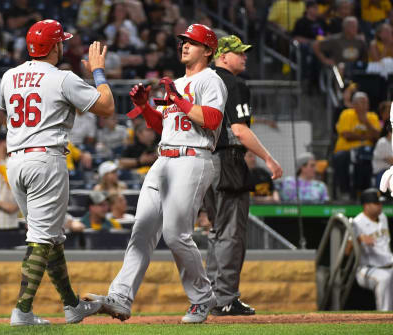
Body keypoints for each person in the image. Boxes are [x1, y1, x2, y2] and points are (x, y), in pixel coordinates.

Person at [88, 23, 227, 324]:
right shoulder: (177, 82)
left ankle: (202, 298)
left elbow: (213, 119)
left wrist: (177, 99)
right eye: (183, 41)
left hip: (193, 157)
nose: (185, 45)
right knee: (142, 232)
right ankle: (121, 298)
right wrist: (144, 106)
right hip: (164, 157)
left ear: (208, 50)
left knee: (177, 235)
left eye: (193, 41)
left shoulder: (210, 80)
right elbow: (162, 127)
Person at [0, 19, 114, 326]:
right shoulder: (62, 77)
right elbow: (106, 106)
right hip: (46, 161)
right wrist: (97, 72)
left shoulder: (9, 76)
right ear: (54, 46)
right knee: (41, 237)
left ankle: (72, 305)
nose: (64, 45)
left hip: (16, 162)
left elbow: (3, 106)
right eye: (61, 41)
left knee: (50, 237)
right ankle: (22, 311)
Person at [203, 35, 283, 317]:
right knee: (231, 235)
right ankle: (225, 298)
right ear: (223, 56)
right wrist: (269, 158)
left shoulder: (201, 81)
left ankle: (213, 296)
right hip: (227, 161)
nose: (244, 57)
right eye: (239, 53)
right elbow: (239, 130)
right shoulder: (233, 83)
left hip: (202, 163)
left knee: (216, 232)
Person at [345, 188, 393, 311]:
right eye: (377, 203)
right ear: (366, 206)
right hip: (368, 269)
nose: (380, 206)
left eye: (381, 203)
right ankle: (384, 318)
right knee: (384, 278)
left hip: (389, 264)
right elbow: (346, 251)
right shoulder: (357, 222)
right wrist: (358, 238)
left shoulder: (382, 217)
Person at [333, 92, 381, 199]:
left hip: (368, 151)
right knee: (340, 157)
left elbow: (377, 136)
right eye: (361, 103)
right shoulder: (347, 114)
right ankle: (345, 192)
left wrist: (366, 122)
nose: (365, 105)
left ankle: (370, 192)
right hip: (346, 150)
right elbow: (346, 135)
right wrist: (366, 136)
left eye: (366, 103)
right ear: (354, 104)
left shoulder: (372, 116)